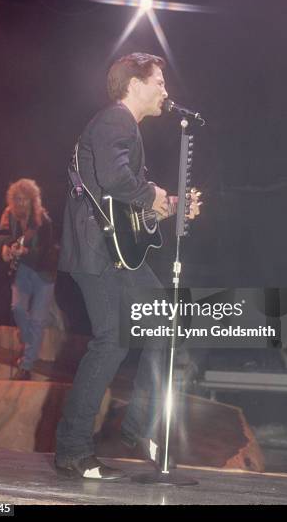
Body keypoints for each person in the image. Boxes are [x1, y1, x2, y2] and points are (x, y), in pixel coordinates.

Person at [55, 53, 200, 480]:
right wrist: (155, 194)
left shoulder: (121, 128)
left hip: (113, 252)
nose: (165, 91)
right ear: (134, 85)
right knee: (112, 343)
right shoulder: (116, 120)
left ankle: (136, 429)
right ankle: (77, 448)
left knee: (161, 327)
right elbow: (119, 181)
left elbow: (128, 213)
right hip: (98, 253)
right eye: (158, 81)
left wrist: (172, 208)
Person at [0, 178, 56, 380]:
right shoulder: (9, 215)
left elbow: (46, 252)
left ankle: (27, 365)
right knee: (18, 308)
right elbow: (4, 237)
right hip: (22, 270)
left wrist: (26, 252)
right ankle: (29, 338)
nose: (21, 203)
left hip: (44, 274)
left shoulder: (43, 220)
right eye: (17, 199)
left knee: (38, 320)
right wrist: (6, 248)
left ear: (33, 200)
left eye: (25, 200)